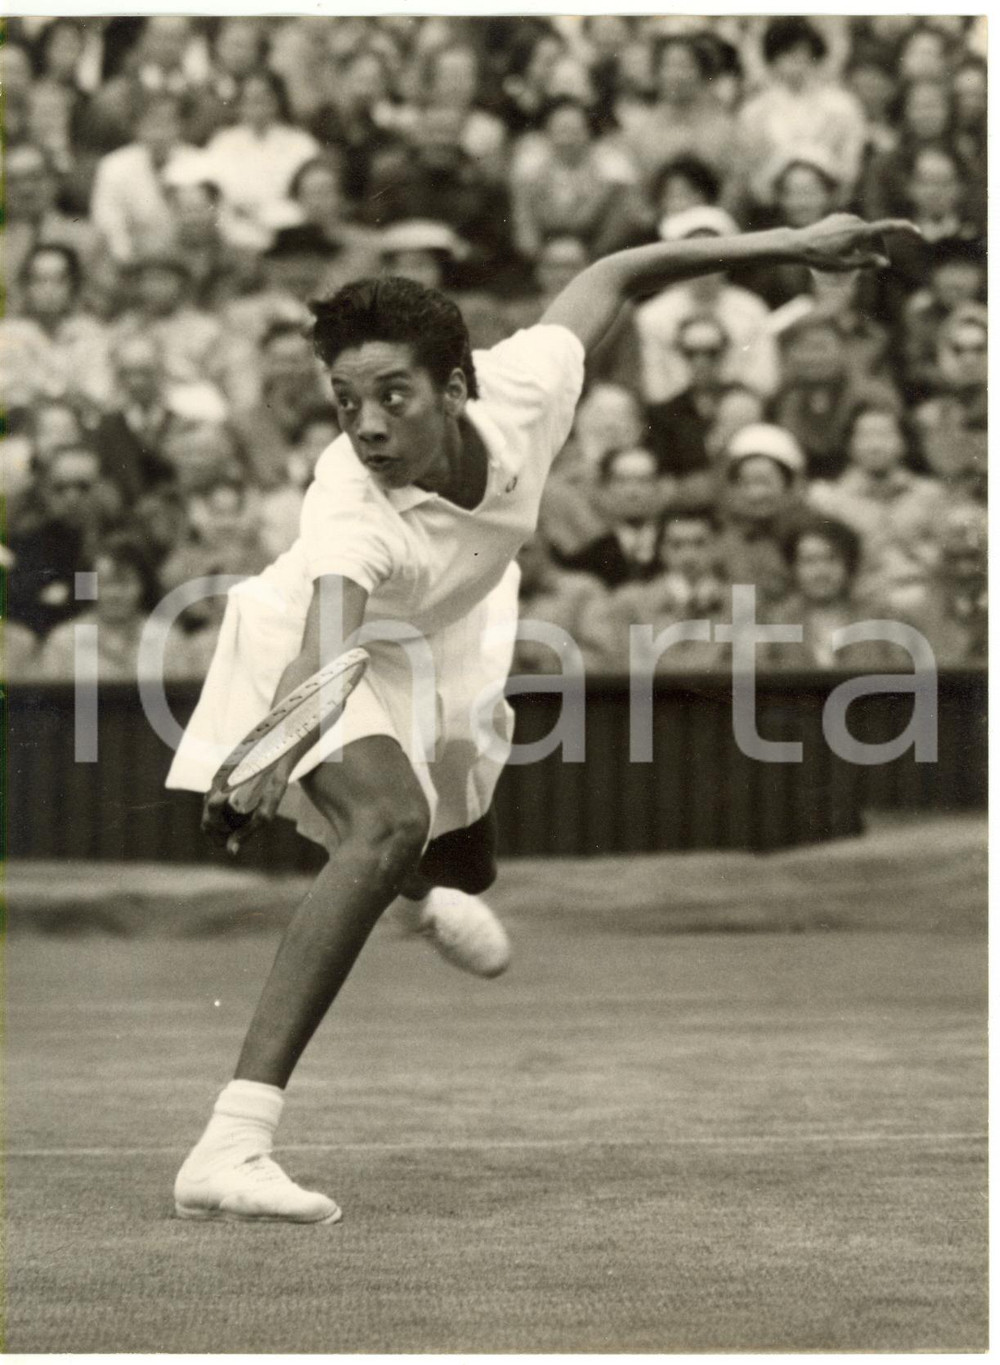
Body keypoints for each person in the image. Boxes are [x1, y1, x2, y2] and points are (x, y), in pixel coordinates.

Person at [165, 213, 917, 1224]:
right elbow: (329, 645)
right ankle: (232, 1143)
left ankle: (415, 901)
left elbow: (620, 268)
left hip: (452, 637)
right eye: (347, 403)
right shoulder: (347, 503)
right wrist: (269, 750)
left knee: (458, 863)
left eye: (393, 395)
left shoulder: (527, 383)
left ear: (458, 386)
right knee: (385, 823)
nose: (369, 425)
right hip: (316, 647)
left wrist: (794, 243)